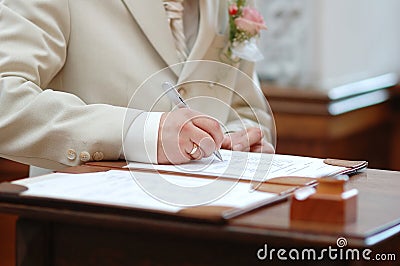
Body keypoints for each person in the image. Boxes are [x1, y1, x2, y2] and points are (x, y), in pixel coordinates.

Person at [0, 0, 274, 173]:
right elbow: (5, 100)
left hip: (215, 222)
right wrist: (141, 133)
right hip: (83, 230)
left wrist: (237, 139)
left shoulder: (233, 4)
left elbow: (248, 109)